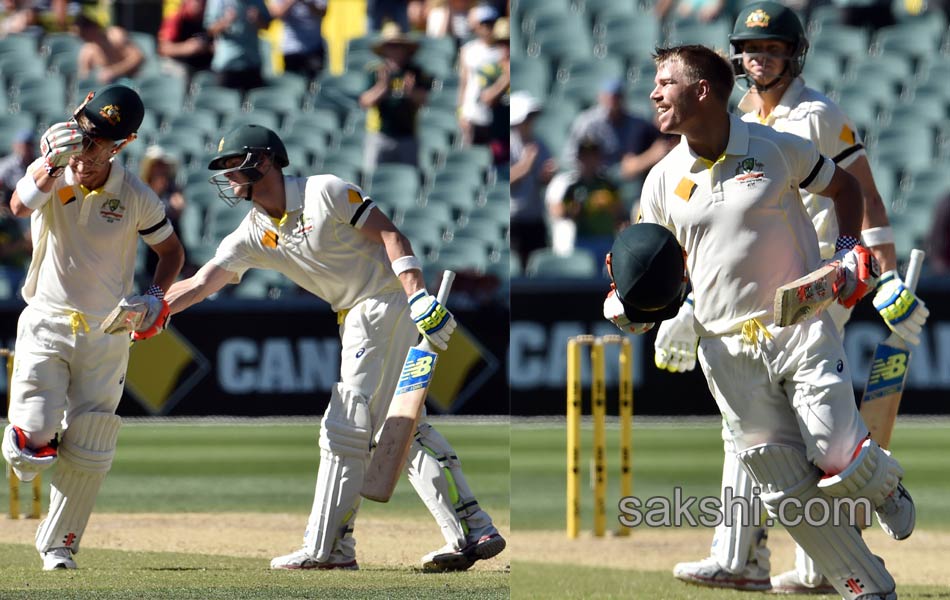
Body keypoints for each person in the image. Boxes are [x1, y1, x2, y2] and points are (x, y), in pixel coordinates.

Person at [607, 44, 916, 600]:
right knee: (783, 491)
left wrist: (847, 252)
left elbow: (844, 188)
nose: (653, 93)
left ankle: (885, 487)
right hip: (726, 351)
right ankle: (867, 587)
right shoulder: (660, 179)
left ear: (701, 90)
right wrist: (632, 308)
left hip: (797, 324)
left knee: (832, 450)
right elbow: (647, 265)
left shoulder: (774, 146)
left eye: (665, 82)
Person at [162, 123, 506, 571]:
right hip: (356, 317)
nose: (227, 177)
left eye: (233, 164)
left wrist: (418, 294)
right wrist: (152, 309)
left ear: (264, 161)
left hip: (382, 302)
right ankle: (472, 528)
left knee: (344, 427)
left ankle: (329, 550)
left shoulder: (325, 191)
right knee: (400, 427)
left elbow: (391, 236)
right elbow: (202, 281)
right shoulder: (253, 232)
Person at [1, 83, 185, 570]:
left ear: (122, 145)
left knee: (93, 441)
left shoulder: (136, 195)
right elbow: (18, 207)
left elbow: (171, 252)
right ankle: (23, 442)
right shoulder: (55, 160)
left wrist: (154, 296)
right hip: (45, 320)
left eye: (101, 142)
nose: (86, 149)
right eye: (84, 134)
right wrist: (50, 164)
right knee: (35, 440)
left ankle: (58, 545)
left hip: (107, 331)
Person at [563, 79, 674, 186]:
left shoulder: (636, 122)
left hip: (628, 178)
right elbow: (571, 157)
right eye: (610, 97)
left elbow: (657, 135)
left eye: (617, 97)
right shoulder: (587, 123)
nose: (613, 102)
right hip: (596, 177)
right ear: (601, 97)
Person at [359, 23, 431, 175]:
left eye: (398, 46)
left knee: (410, 177)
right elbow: (365, 101)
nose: (395, 51)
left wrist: (411, 92)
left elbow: (424, 100)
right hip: (380, 134)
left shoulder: (415, 72)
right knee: (373, 179)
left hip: (407, 135)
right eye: (390, 46)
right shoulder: (375, 71)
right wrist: (382, 87)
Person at [545, 136, 626, 260]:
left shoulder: (608, 184)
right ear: (578, 159)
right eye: (585, 156)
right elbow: (559, 212)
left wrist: (609, 206)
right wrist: (585, 206)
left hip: (606, 239)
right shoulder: (573, 186)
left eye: (593, 156)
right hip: (583, 239)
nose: (589, 160)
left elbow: (620, 212)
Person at [509, 91, 556, 271]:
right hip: (514, 221)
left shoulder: (538, 144)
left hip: (534, 218)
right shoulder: (509, 145)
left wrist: (546, 176)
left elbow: (542, 179)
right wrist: (525, 165)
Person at [204, 0, 271, 93]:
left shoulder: (257, 1)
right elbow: (209, 30)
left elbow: (267, 25)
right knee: (225, 103)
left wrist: (258, 19)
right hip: (227, 64)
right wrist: (225, 21)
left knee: (252, 103)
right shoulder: (218, 2)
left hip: (251, 62)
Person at [457, 4, 500, 145]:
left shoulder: (502, 52)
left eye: (491, 24)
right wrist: (461, 112)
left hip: (496, 115)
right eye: (484, 24)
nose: (487, 28)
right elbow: (464, 82)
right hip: (473, 114)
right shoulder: (468, 50)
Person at [75, 13, 146, 84]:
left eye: (83, 33)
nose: (82, 37)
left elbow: (138, 57)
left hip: (133, 80)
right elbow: (83, 78)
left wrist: (114, 71)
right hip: (110, 86)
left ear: (92, 27)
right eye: (80, 35)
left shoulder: (115, 36)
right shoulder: (87, 51)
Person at [269, 0, 327, 82]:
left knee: (316, 83)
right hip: (291, 49)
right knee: (292, 84)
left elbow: (323, 12)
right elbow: (275, 14)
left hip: (314, 47)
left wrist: (307, 3)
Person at [157, 0, 214, 81]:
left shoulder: (208, 18)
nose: (200, 4)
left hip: (203, 66)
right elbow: (163, 48)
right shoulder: (175, 18)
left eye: (203, 1)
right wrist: (186, 48)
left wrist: (207, 47)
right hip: (179, 65)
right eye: (196, 1)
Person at [0, 129, 36, 207]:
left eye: (29, 145)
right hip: (11, 210)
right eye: (24, 145)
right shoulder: (6, 166)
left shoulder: (41, 165)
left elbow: (64, 198)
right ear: (15, 145)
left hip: (34, 206)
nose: (26, 148)